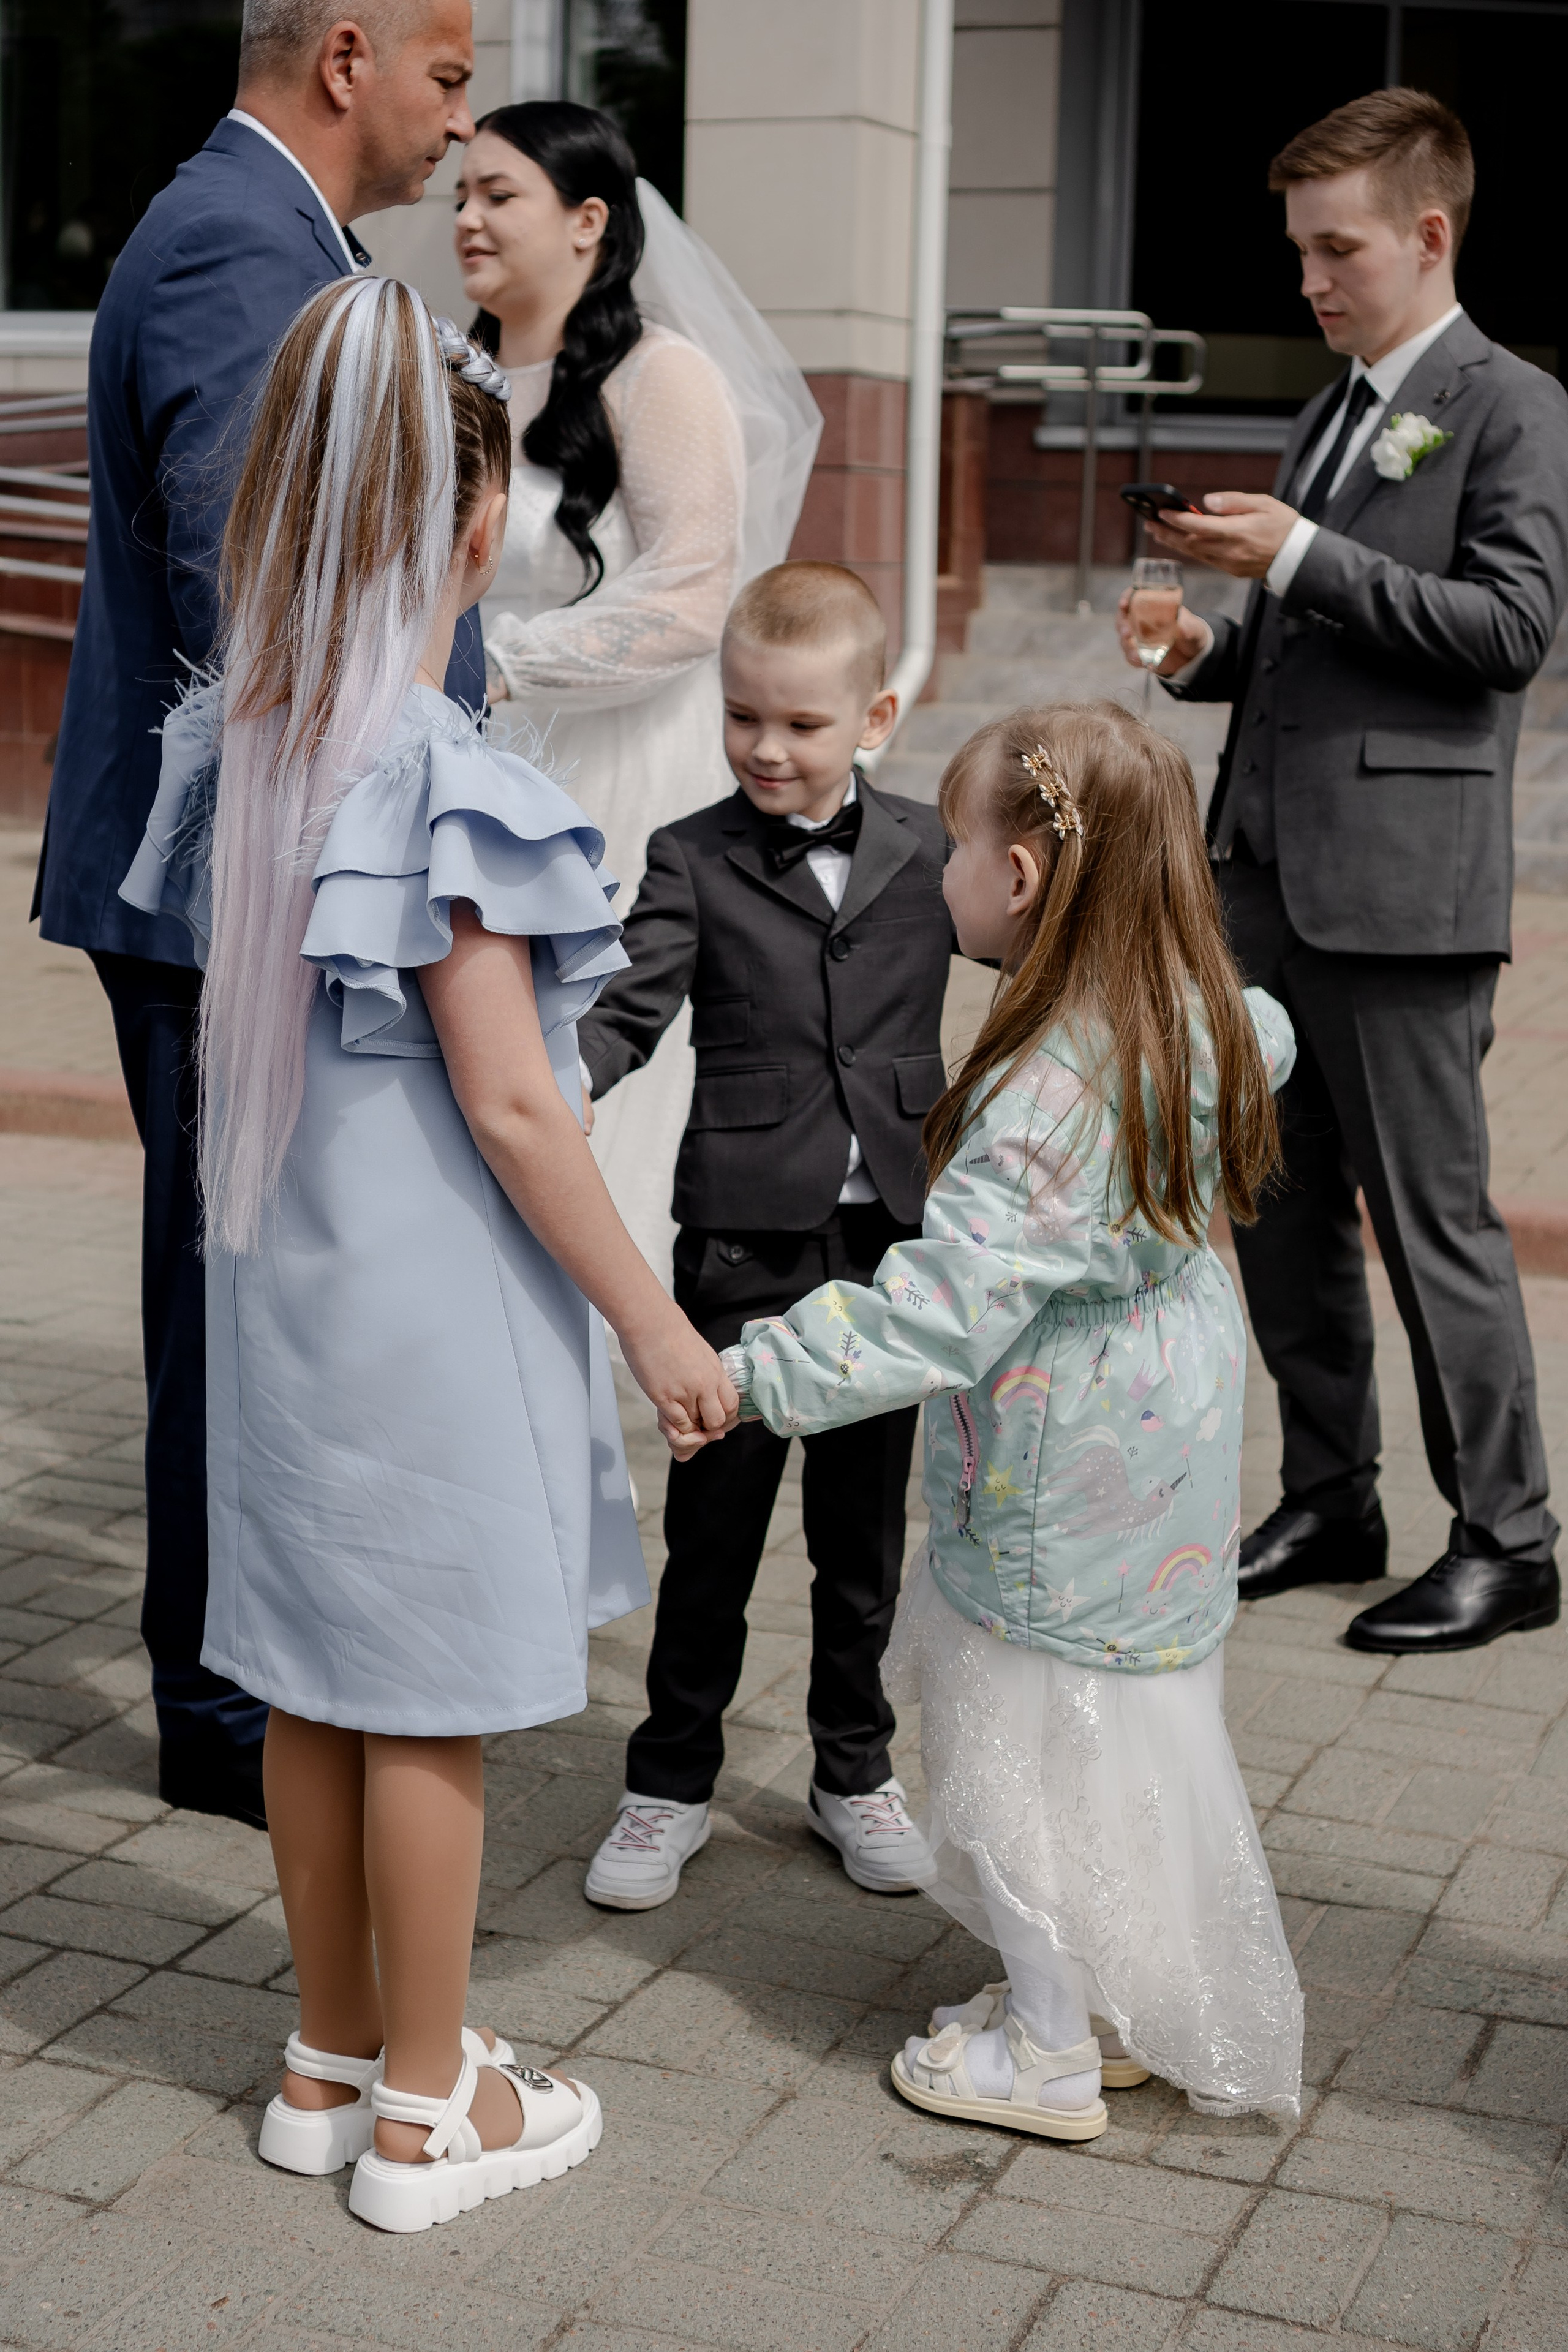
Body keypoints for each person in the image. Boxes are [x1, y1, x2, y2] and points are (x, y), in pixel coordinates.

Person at [119, 276, 737, 2231]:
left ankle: (322, 2059)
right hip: (428, 1321)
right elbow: (520, 1110)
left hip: (285, 1302)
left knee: (312, 1686)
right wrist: (654, 1325)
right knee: (429, 1709)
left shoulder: (255, 751)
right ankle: (424, 2115)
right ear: (471, 531)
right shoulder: (440, 778)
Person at [717, 701, 1305, 2133]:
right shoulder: (1206, 1019)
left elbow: (936, 1308)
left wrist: (751, 1376)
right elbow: (1275, 1038)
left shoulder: (1047, 1094)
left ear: (1024, 879)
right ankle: (1105, 2005)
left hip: (1058, 1468)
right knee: (1123, 1732)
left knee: (1023, 1751)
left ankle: (1045, 2050)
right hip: (1160, 1445)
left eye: (956, 847)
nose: (937, 875)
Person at [33, 0, 486, 1831]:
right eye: (452, 78)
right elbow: (268, 596)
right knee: (235, 1295)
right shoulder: (239, 237)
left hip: (248, 871)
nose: (464, 126)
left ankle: (242, 1679)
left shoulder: (278, 234)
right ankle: (227, 1714)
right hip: (243, 882)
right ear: (350, 54)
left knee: (246, 1285)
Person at [1126, 88, 1566, 1653]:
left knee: (1430, 1223)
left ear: (1426, 235)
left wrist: (1300, 557)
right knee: (1277, 1209)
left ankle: (1507, 1541)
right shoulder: (1330, 412)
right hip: (1266, 880)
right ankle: (1331, 1494)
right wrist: (1200, 650)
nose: (1309, 279)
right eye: (1299, 250)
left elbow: (1508, 631)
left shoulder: (1510, 404)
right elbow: (1324, 652)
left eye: (1337, 248)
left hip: (1401, 895)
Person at [578, 563, 955, 1909]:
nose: (766, 748)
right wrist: (560, 1079)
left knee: (861, 1541)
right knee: (716, 1528)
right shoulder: (694, 852)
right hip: (740, 1239)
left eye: (800, 724)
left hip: (890, 1253)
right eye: (744, 717)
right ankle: (667, 1780)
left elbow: (1035, 953)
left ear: (875, 716)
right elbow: (630, 1001)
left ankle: (850, 1771)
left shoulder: (929, 848)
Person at [455, 100, 821, 1285]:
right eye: (462, 192)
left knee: (602, 1063)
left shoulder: (663, 377)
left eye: (499, 195)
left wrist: (499, 664)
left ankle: (624, 1344)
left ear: (588, 221)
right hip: (473, 769)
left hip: (623, 778)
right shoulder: (449, 378)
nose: (465, 217)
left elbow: (692, 597)